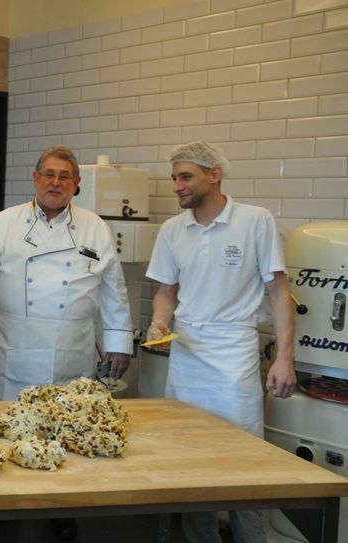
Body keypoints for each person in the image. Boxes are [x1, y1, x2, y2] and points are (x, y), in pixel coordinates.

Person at [0, 145, 134, 541]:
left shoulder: (94, 227)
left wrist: (119, 342)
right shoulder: (3, 223)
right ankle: (2, 502)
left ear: (77, 184)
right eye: (48, 174)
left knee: (65, 430)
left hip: (73, 344)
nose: (55, 182)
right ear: (34, 179)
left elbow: (112, 292)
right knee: (8, 427)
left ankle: (62, 507)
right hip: (15, 342)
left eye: (64, 176)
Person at [144, 141, 296, 543]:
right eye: (174, 177)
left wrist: (284, 358)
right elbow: (166, 291)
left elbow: (279, 292)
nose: (177, 185)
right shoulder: (173, 230)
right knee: (189, 462)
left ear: (215, 174)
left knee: (244, 465)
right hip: (187, 354)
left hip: (234, 354)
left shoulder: (254, 220)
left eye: (185, 176)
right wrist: (159, 322)